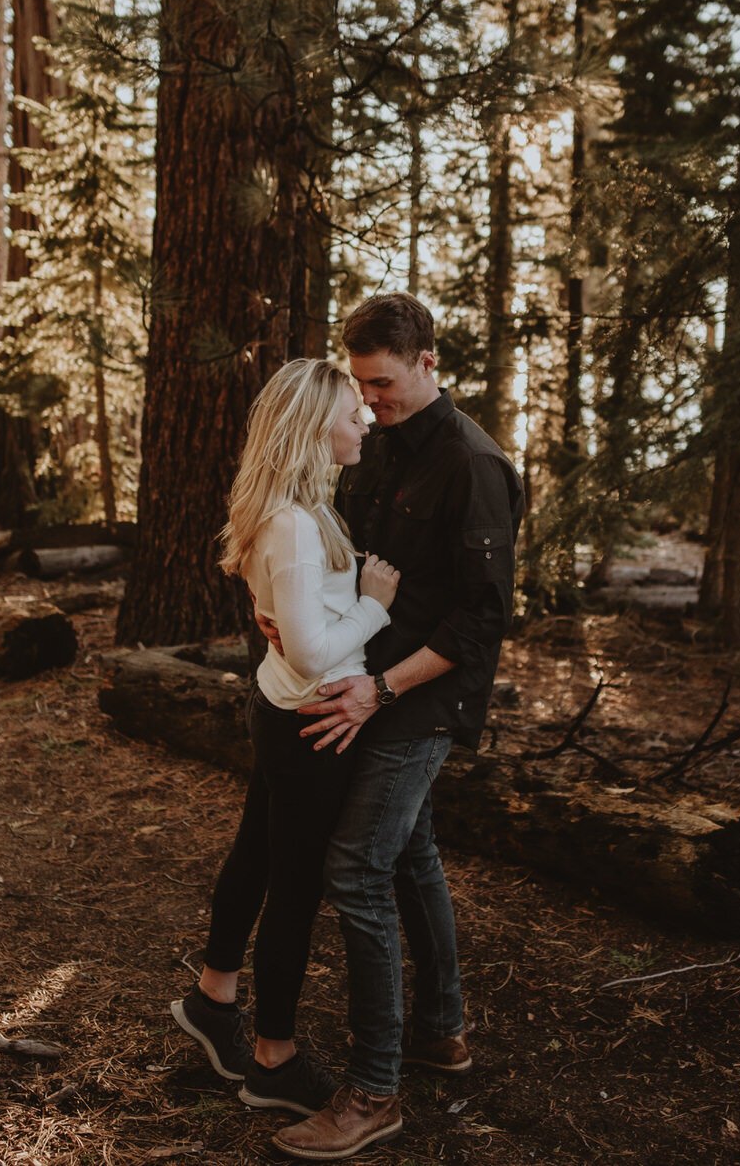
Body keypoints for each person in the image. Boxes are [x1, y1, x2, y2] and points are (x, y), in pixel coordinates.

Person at [270, 294, 524, 1161]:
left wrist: (380, 690)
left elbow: (480, 621)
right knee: (410, 851)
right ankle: (442, 1030)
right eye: (362, 385)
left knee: (357, 863)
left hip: (424, 694)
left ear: (427, 362)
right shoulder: (376, 448)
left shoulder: (473, 463)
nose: (369, 401)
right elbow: (351, 562)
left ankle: (375, 1089)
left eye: (383, 382)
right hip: (368, 674)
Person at [170, 358, 403, 1118]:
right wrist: (373, 606)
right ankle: (272, 1056)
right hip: (310, 724)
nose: (363, 420)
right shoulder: (297, 526)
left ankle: (214, 998)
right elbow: (309, 649)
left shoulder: (295, 508)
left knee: (256, 854)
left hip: (284, 709)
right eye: (349, 413)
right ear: (311, 428)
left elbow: (290, 633)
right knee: (295, 887)